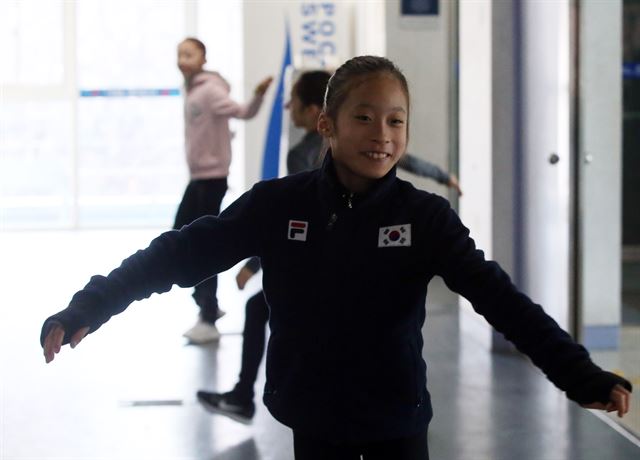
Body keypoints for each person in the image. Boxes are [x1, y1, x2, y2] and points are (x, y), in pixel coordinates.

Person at [41, 56, 631, 460]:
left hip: (398, 422)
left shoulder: (424, 218)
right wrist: (91, 305)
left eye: (396, 120)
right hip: (314, 420)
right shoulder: (278, 205)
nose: (382, 134)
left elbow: (499, 298)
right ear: (326, 124)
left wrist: (578, 373)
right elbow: (178, 253)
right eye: (364, 118)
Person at [195, 70, 463, 424]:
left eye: (394, 121)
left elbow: (303, 224)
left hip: (328, 291)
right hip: (343, 395)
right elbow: (296, 221)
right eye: (364, 118)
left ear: (315, 113)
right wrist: (444, 176)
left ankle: (244, 393)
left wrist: (255, 264)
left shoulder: (307, 155)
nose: (288, 108)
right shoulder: (300, 174)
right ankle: (245, 393)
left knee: (269, 312)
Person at [174, 37, 272, 344]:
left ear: (203, 58)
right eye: (179, 54)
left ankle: (207, 316)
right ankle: (209, 306)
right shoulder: (192, 89)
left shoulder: (210, 90)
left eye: (189, 54)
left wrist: (258, 96)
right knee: (180, 236)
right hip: (199, 178)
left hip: (212, 178)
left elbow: (244, 112)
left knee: (201, 243)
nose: (182, 59)